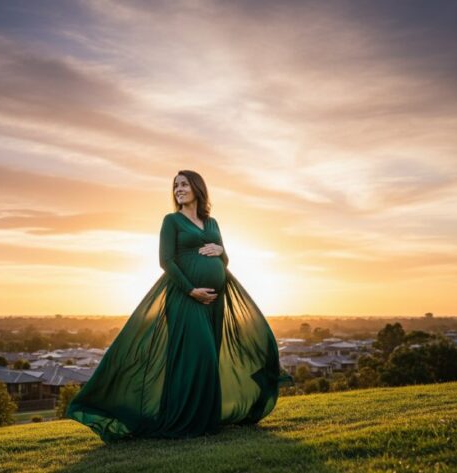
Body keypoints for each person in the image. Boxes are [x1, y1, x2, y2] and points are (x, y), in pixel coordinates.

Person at [66, 170, 294, 442]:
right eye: (175, 186)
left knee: (211, 359)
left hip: (215, 302)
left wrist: (221, 252)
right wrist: (191, 290)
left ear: (197, 188)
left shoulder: (212, 223)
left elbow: (225, 259)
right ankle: (186, 421)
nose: (178, 189)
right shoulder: (171, 221)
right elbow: (166, 261)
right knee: (200, 356)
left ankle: (206, 421)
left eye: (184, 184)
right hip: (185, 299)